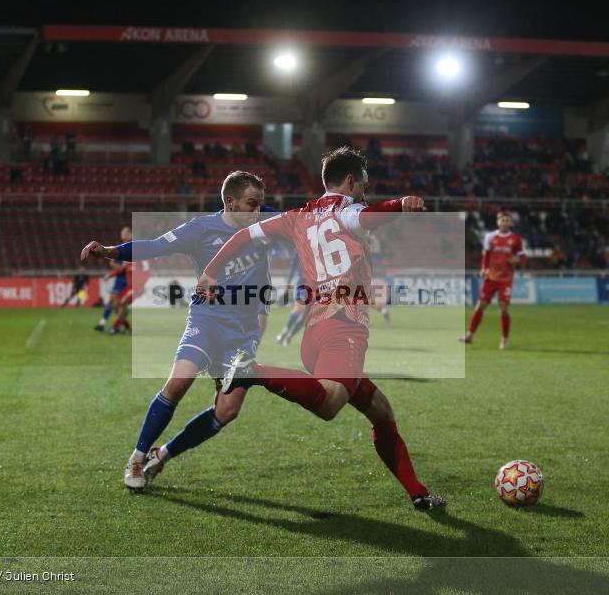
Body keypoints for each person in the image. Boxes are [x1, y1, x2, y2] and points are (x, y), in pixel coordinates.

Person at [187, 146, 445, 511]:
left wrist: (210, 270)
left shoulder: (297, 216)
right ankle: (251, 372)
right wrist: (401, 203)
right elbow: (369, 216)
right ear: (351, 181)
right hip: (343, 327)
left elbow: (243, 236)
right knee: (330, 403)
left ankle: (419, 494)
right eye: (364, 184)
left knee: (382, 413)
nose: (366, 192)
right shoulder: (348, 209)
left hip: (314, 335)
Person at [80, 172, 272, 490]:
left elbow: (307, 219)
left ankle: (162, 455)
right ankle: (137, 458)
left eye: (260, 205)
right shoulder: (200, 229)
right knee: (179, 381)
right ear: (230, 202)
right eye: (252, 204)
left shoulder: (264, 221)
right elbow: (154, 247)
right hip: (208, 319)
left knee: (227, 410)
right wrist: (110, 251)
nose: (257, 211)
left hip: (244, 329)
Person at [460, 211, 527, 350]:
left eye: (507, 220)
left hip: (506, 278)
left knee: (503, 309)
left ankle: (504, 339)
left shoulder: (515, 239)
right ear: (498, 222)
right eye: (502, 220)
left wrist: (518, 260)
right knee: (480, 306)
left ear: (510, 223)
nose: (505, 222)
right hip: (491, 277)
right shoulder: (490, 237)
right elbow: (486, 255)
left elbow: (522, 257)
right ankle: (470, 335)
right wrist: (484, 268)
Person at [95, 227, 132, 332]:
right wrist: (118, 269)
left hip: (127, 281)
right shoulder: (119, 248)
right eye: (123, 234)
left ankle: (110, 325)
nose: (124, 236)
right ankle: (121, 326)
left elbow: (127, 268)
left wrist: (112, 273)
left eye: (126, 234)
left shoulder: (134, 247)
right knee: (116, 305)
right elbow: (112, 263)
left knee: (117, 305)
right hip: (120, 280)